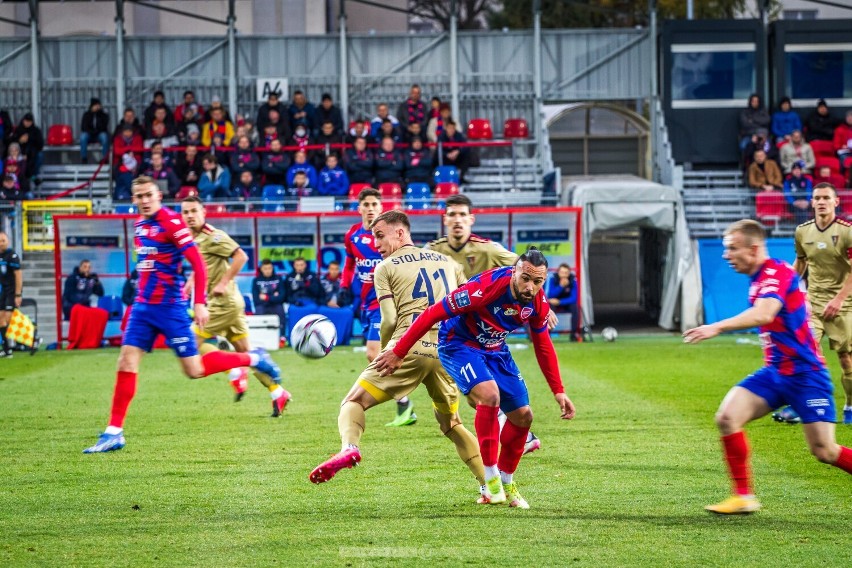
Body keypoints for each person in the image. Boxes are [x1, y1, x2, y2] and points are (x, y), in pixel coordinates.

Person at [83, 176, 280, 453]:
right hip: (142, 307)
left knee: (194, 370)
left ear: (158, 196)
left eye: (148, 195)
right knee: (126, 361)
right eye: (138, 196)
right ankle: (114, 431)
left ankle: (254, 358)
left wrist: (198, 302)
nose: (144, 200)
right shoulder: (140, 225)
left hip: (170, 308)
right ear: (133, 200)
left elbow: (198, 263)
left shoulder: (172, 223)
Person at [373, 248, 576, 508]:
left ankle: (507, 482)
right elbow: (432, 314)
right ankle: (490, 480)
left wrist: (558, 391)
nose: (530, 286)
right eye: (525, 278)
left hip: (495, 348)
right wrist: (398, 352)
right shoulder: (484, 289)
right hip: (458, 344)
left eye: (537, 282)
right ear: (514, 271)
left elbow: (543, 343)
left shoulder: (536, 301)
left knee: (524, 416)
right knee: (490, 396)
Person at [309, 210, 487, 498]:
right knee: (452, 424)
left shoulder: (386, 267)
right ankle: (490, 485)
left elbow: (390, 319)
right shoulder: (449, 263)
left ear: (400, 232)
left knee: (352, 402)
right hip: (447, 352)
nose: (375, 243)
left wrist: (388, 349)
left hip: (407, 348)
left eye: (380, 235)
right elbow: (465, 309)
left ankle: (349, 449)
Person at [682, 219, 852, 514]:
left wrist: (717, 327)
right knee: (727, 417)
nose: (726, 255)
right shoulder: (760, 277)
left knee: (825, 451)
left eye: (732, 248)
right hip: (776, 373)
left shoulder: (777, 272)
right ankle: (744, 497)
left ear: (754, 248)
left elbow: (765, 313)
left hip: (805, 375)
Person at [426, 194, 550, 454]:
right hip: (445, 325)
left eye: (462, 215)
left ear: (471, 219)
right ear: (444, 219)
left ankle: (501, 447)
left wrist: (541, 305)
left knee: (476, 393)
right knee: (473, 393)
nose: (457, 220)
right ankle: (506, 432)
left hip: (475, 333)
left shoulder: (488, 249)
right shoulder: (432, 251)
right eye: (452, 215)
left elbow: (527, 272)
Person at [180, 196, 291, 413]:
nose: (190, 216)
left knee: (190, 343)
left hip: (222, 304)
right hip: (231, 305)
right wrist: (191, 282)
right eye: (186, 212)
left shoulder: (214, 237)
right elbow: (201, 265)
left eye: (194, 211)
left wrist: (222, 282)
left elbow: (241, 256)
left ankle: (234, 371)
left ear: (204, 212)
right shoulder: (192, 239)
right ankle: (278, 393)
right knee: (247, 354)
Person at [771, 184, 852, 426]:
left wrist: (838, 299)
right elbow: (800, 264)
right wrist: (785, 291)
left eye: (826, 197)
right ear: (812, 201)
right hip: (813, 304)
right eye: (817, 198)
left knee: (846, 359)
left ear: (836, 202)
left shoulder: (847, 232)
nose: (821, 202)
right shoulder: (802, 232)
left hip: (844, 305)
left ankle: (849, 405)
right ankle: (799, 404)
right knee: (802, 353)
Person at [546, 263, 582, 341]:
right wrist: (561, 286)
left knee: (575, 307)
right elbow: (549, 295)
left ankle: (574, 335)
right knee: (549, 308)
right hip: (554, 304)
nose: (564, 275)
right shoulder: (552, 279)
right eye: (562, 273)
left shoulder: (573, 281)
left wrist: (560, 302)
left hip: (565, 304)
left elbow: (573, 298)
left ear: (569, 274)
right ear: (558, 272)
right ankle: (548, 334)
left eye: (566, 273)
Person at [0, 231, 22, 358]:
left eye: (3, 240)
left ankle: (28, 338)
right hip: (3, 291)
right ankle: (7, 349)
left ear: (7, 241)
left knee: (8, 319)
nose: (1, 243)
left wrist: (18, 294)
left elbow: (18, 275)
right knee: (0, 320)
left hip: (11, 291)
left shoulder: (12, 255)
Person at [252, 259, 286, 334]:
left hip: (276, 305)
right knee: (258, 310)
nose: (268, 271)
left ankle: (282, 337)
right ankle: (259, 335)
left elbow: (281, 298)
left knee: (280, 309)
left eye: (269, 268)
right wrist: (273, 295)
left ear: (272, 268)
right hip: (262, 305)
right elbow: (256, 299)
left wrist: (266, 297)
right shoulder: (256, 280)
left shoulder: (278, 279)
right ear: (261, 269)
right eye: (265, 269)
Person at [79, 97, 110, 164]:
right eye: (95, 105)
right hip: (89, 134)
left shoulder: (103, 115)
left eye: (98, 105)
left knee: (104, 137)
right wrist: (91, 132)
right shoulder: (87, 115)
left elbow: (104, 127)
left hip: (99, 134)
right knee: (83, 137)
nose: (97, 107)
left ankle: (105, 158)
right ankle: (84, 158)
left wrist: (99, 114)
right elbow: (84, 127)